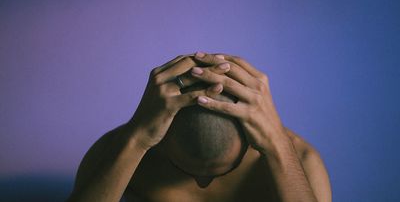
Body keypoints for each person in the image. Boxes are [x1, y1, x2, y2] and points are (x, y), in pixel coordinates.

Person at [66, 52, 332, 202]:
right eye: (185, 169)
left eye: (220, 172)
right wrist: (137, 139)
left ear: (253, 138)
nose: (202, 183)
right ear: (161, 134)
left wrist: (278, 147)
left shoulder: (299, 160)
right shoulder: (124, 150)